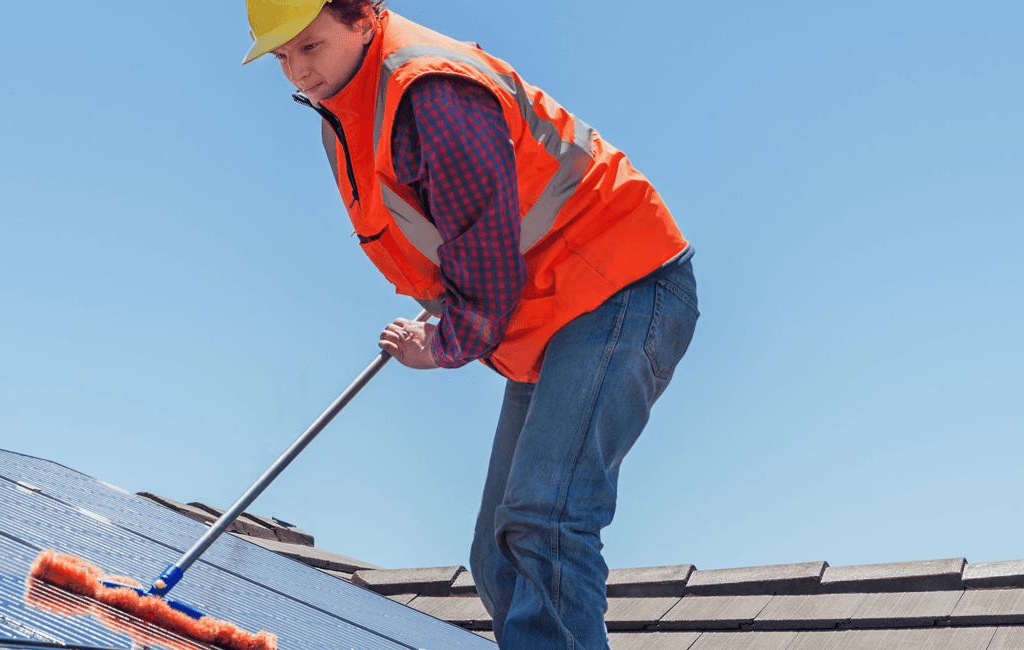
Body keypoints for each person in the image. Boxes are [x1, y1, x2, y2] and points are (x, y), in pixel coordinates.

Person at [242, 1, 699, 647]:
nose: (296, 72)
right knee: (499, 553)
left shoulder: (432, 92)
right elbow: (441, 238)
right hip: (554, 309)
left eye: (309, 47)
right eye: (280, 57)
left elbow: (483, 245)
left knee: (545, 519)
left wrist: (446, 343)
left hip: (617, 284)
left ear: (363, 18)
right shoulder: (351, 109)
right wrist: (443, 314)